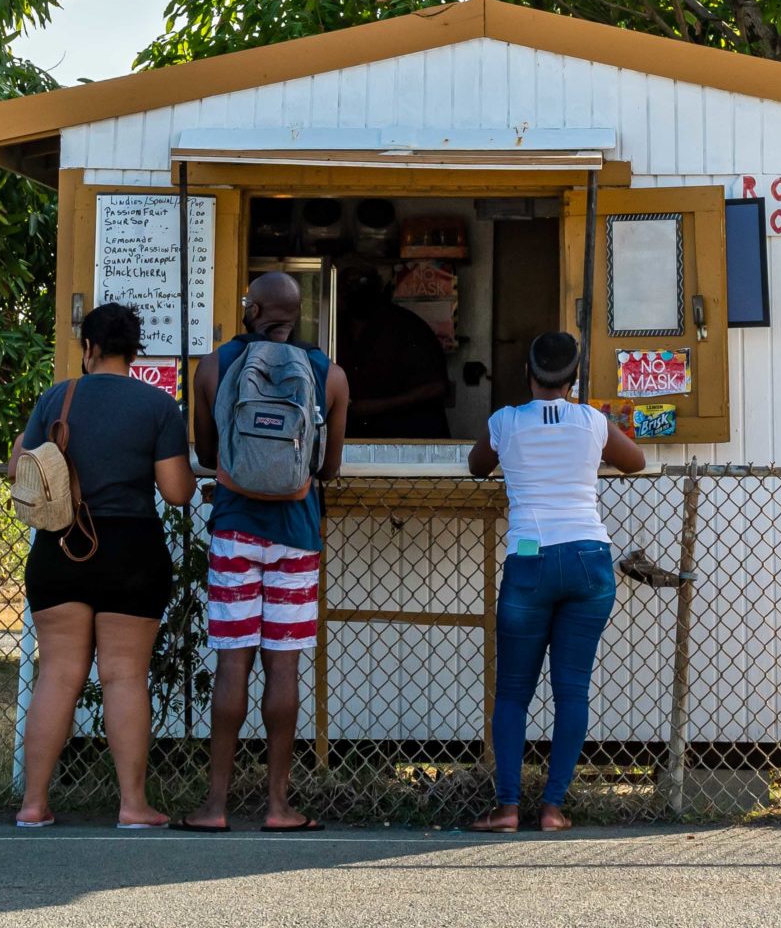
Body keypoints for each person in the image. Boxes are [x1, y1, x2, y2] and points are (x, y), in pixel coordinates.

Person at [9, 303, 195, 830]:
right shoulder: (158, 406)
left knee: (58, 674)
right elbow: (176, 492)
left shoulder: (56, 398)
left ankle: (33, 804)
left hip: (60, 547)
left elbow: (18, 468)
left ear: (87, 348)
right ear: (134, 352)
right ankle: (133, 806)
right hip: (131, 551)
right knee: (124, 676)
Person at [180, 271, 350, 832]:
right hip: (297, 536)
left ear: (251, 309)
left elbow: (207, 451)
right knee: (284, 665)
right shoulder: (329, 375)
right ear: (297, 315)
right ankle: (278, 806)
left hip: (234, 531)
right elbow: (327, 468)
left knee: (234, 662)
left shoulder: (215, 366)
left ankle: (215, 806)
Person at [466, 331, 646, 832]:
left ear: (527, 374)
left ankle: (505, 809)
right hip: (590, 557)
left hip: (530, 558)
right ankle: (552, 809)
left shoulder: (505, 421)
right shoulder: (592, 421)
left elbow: (477, 467)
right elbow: (637, 462)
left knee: (513, 693)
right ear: (574, 380)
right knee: (571, 690)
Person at [337, 268, 451, 440]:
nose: (354, 291)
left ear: (378, 288)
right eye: (348, 286)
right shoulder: (336, 325)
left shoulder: (407, 327)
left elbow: (436, 386)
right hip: (354, 439)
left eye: (361, 284)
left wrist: (374, 407)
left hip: (408, 439)